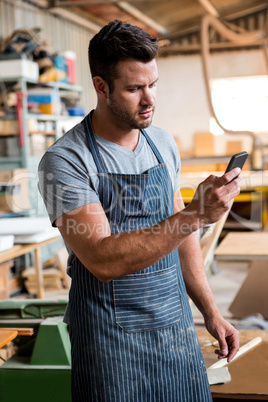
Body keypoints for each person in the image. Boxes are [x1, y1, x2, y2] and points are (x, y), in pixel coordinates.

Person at [38, 19, 240, 402]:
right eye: (134, 89)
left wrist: (211, 312)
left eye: (153, 85)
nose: (149, 99)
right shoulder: (66, 160)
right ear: (101, 86)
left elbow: (184, 241)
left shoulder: (162, 144)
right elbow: (101, 258)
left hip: (175, 330)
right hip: (109, 342)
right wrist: (195, 215)